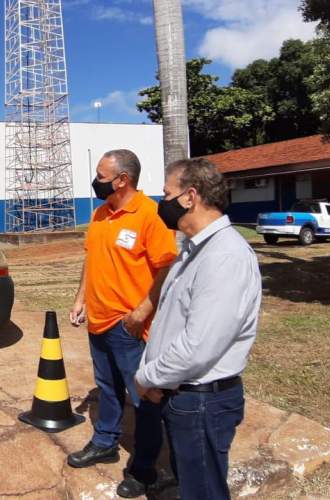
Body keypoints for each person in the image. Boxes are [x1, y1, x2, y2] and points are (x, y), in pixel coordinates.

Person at [135, 158, 261, 500]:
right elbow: (171, 323)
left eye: (166, 194)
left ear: (190, 197)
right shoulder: (194, 250)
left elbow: (198, 346)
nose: (161, 202)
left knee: (203, 492)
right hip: (183, 395)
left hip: (203, 401)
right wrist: (154, 375)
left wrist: (147, 377)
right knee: (192, 485)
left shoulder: (225, 256)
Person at [68, 150, 178, 498]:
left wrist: (142, 312)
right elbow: (91, 259)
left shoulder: (149, 215)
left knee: (144, 397)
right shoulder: (100, 213)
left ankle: (146, 468)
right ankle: (105, 443)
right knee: (107, 387)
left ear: (122, 180)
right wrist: (80, 299)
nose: (96, 181)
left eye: (101, 176)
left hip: (129, 326)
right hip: (98, 321)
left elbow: (166, 267)